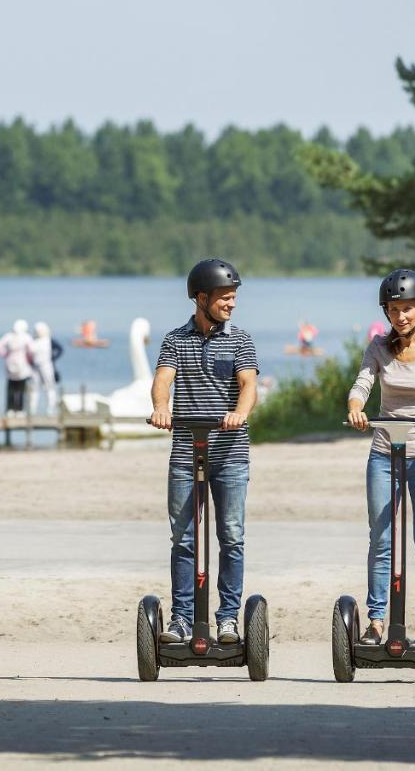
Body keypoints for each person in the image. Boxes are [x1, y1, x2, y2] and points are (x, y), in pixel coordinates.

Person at [346, 268, 415, 647]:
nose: (402, 316)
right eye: (394, 309)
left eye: (408, 308)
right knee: (380, 539)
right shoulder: (379, 348)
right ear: (387, 312)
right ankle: (376, 621)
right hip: (384, 454)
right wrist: (356, 408)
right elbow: (362, 384)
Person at [150, 258, 259, 645]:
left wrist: (239, 414)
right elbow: (163, 379)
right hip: (186, 453)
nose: (231, 304)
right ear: (200, 298)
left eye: (233, 298)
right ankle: (181, 618)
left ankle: (228, 618)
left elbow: (248, 385)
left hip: (229, 454)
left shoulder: (241, 339)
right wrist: (162, 408)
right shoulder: (175, 340)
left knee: (231, 536)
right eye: (224, 298)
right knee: (183, 539)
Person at [0, 319, 33, 413]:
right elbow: (32, 350)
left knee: (10, 388)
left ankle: (10, 409)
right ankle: (19, 409)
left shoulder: (9, 336)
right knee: (21, 388)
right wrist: (29, 358)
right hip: (22, 365)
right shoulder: (26, 337)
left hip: (9, 363)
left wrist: (5, 354)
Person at [28, 321, 60, 414]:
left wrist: (52, 358)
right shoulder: (34, 341)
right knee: (34, 388)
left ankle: (50, 408)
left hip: (46, 365)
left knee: (49, 386)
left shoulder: (48, 340)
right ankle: (32, 409)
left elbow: (60, 349)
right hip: (35, 367)